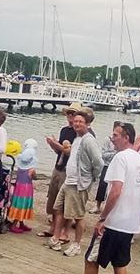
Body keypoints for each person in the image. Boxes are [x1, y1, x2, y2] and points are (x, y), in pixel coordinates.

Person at [58, 122, 140, 274]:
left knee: (91, 259)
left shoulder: (120, 158)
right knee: (120, 264)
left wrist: (103, 218)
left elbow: (115, 191)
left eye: (115, 135)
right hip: (130, 222)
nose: (112, 138)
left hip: (114, 221)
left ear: (126, 137)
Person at [51, 111, 103, 257]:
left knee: (78, 215)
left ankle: (76, 244)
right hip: (68, 180)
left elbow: (98, 161)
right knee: (59, 209)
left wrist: (91, 177)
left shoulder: (88, 140)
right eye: (76, 121)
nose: (77, 123)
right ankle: (55, 238)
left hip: (79, 183)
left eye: (81, 121)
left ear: (87, 124)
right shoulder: (77, 138)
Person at [39, 106, 78, 238]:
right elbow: (60, 150)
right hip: (58, 166)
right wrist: (53, 144)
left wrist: (56, 144)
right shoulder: (65, 130)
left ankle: (63, 231)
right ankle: (53, 227)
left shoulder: (79, 134)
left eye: (73, 114)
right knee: (53, 197)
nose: (70, 117)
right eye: (69, 114)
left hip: (69, 169)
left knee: (64, 200)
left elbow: (70, 151)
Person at [7, 139, 38, 233]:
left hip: (19, 187)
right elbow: (35, 177)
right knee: (22, 204)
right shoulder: (31, 169)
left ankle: (20, 222)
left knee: (18, 203)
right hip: (26, 188)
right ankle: (14, 224)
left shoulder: (20, 167)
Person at [91, 121, 119, 214]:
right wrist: (115, 153)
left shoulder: (123, 141)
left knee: (114, 187)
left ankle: (110, 207)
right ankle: (98, 205)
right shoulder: (107, 140)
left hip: (117, 166)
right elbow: (103, 155)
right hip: (107, 164)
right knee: (102, 184)